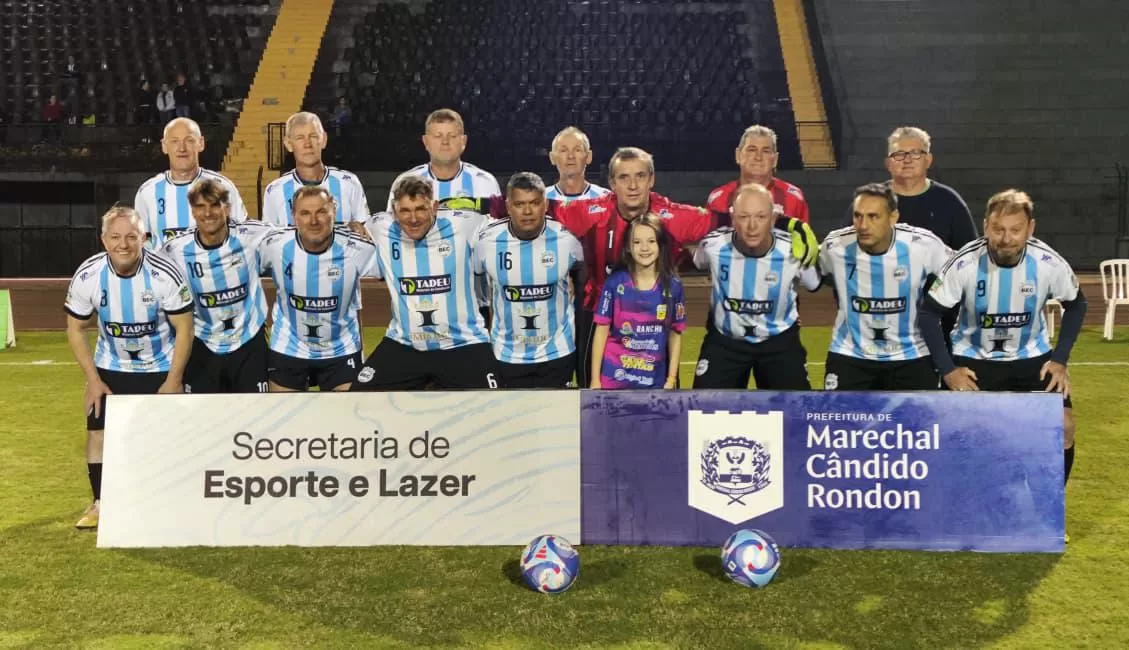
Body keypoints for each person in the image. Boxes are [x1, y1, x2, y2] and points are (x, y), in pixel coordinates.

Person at [552, 146, 819, 387]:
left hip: (656, 325)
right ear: (612, 184)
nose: (633, 185)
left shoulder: (673, 216)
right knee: (594, 401)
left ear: (651, 180)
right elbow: (541, 207)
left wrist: (789, 224)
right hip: (601, 320)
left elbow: (734, 217)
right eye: (624, 177)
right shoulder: (589, 212)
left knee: (665, 404)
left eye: (640, 176)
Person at [920, 189, 1085, 492]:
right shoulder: (964, 263)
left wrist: (1060, 359)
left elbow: (1076, 304)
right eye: (998, 229)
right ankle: (965, 506)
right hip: (973, 360)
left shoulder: (1047, 262)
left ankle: (1047, 508)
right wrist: (948, 369)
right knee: (954, 436)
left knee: (1063, 427)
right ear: (986, 227)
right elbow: (929, 313)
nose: (1006, 238)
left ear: (1030, 229)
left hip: (1032, 360)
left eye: (1015, 230)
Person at [64, 206, 194, 529]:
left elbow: (185, 329)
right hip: (110, 367)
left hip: (159, 367)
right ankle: (100, 502)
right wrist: (93, 380)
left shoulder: (165, 274)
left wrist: (174, 380)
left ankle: (171, 501)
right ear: (104, 240)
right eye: (116, 237)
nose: (123, 244)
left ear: (144, 238)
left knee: (169, 435)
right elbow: (75, 329)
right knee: (98, 432)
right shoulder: (88, 275)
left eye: (132, 236)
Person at [353, 176, 499, 390]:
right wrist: (354, 226)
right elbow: (354, 231)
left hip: (464, 344)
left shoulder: (465, 224)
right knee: (359, 397)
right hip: (404, 345)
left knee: (494, 402)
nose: (413, 218)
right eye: (405, 211)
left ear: (435, 207)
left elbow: (507, 220)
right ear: (394, 211)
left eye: (421, 209)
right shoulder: (380, 227)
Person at [819, 183, 953, 390]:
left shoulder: (922, 245)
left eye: (873, 216)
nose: (863, 225)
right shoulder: (835, 246)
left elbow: (961, 271)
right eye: (858, 216)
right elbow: (814, 276)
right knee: (839, 412)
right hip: (850, 355)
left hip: (912, 356)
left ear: (893, 217)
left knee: (920, 413)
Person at [693, 183, 821, 390]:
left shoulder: (793, 251)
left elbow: (813, 283)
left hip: (779, 343)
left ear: (773, 219)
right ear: (733, 218)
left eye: (761, 217)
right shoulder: (713, 246)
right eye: (744, 217)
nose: (752, 226)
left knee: (795, 406)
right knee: (704, 404)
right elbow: (698, 261)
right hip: (726, 342)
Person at [161, 178, 276, 393]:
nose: (208, 213)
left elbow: (292, 236)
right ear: (193, 211)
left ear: (228, 208)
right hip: (202, 343)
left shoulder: (251, 235)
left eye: (215, 205)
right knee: (203, 413)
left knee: (256, 411)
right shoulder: (174, 250)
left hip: (248, 341)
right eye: (200, 206)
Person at [258, 186, 377, 392]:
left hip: (341, 349)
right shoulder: (273, 246)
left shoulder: (360, 248)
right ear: (294, 217)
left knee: (351, 409)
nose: (313, 221)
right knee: (281, 411)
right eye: (305, 213)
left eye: (321, 212)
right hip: (288, 347)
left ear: (334, 213)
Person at [473, 172, 585, 388]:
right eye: (519, 204)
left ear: (545, 205)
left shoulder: (567, 239)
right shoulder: (486, 242)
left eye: (534, 203)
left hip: (558, 354)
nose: (527, 211)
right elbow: (478, 289)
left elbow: (586, 279)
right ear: (508, 206)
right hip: (506, 355)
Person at [590, 214, 686, 389]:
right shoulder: (615, 283)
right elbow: (601, 331)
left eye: (651, 241)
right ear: (628, 247)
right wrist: (595, 380)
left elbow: (675, 334)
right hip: (614, 381)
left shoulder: (673, 286)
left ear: (660, 245)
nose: (644, 248)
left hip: (653, 382)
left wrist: (671, 379)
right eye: (637, 242)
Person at [134, 117, 246, 248]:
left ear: (201, 143)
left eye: (189, 140)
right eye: (175, 141)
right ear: (164, 146)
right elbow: (143, 240)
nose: (182, 148)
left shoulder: (223, 187)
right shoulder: (147, 192)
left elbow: (242, 235)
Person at [262, 112, 370, 228]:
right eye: (300, 138)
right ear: (288, 144)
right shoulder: (275, 191)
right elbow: (269, 236)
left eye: (313, 136)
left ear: (324, 140)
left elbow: (364, 230)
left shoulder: (349, 183)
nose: (307, 144)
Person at [385, 108, 500, 213]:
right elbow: (392, 226)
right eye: (438, 136)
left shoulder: (485, 182)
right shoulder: (405, 182)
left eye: (452, 136)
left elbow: (497, 226)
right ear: (425, 142)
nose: (445, 142)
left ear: (463, 141)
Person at [706, 125, 810, 227]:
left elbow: (803, 237)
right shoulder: (718, 199)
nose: (758, 157)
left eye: (766, 151)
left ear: (775, 160)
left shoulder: (794, 199)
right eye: (752, 150)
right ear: (738, 155)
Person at [544, 126, 610, 204]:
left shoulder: (607, 199)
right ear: (552, 158)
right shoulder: (540, 199)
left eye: (577, 150)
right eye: (563, 150)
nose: (571, 156)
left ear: (589, 156)